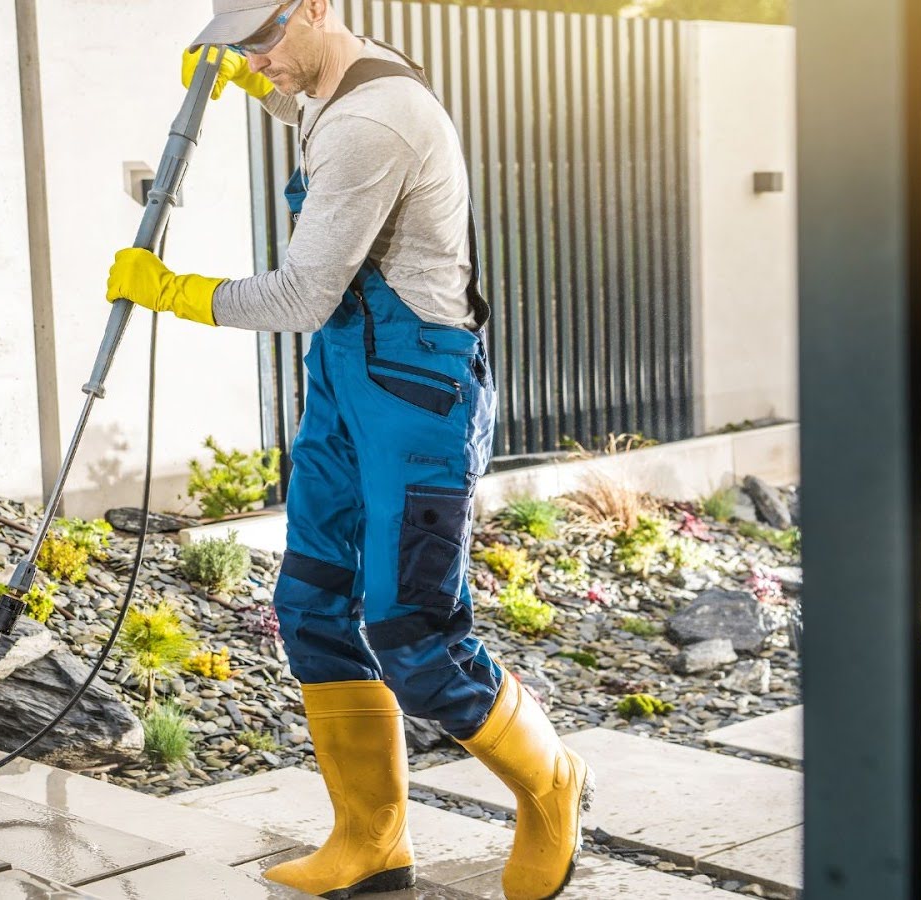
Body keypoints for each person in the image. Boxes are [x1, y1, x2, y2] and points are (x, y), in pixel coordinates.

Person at [104, 2, 591, 897]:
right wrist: (267, 90)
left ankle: (550, 781)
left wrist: (175, 291)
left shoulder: (371, 120)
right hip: (345, 381)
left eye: (266, 40)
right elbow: (314, 108)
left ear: (316, 6)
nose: (259, 57)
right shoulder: (336, 81)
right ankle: (372, 839)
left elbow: (299, 294)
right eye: (240, 44)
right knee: (314, 604)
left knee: (412, 629)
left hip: (417, 391)